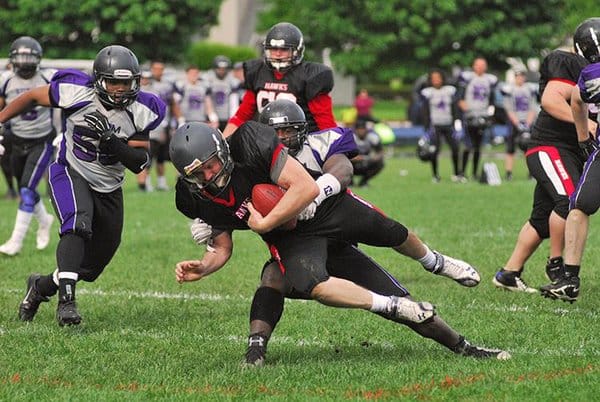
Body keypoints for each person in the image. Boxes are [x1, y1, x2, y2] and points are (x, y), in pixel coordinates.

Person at [171, 121, 505, 367]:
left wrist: (263, 222)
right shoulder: (193, 196)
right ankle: (257, 349)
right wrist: (205, 266)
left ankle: (435, 263)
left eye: (210, 165)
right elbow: (222, 246)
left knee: (387, 229)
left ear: (222, 150)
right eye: (197, 174)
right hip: (293, 237)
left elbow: (305, 188)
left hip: (323, 210)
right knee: (308, 282)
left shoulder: (250, 143)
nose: (208, 176)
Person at [1, 45, 166, 326]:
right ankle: (67, 302)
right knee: (77, 223)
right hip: (70, 171)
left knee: (91, 265)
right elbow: (31, 97)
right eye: (114, 82)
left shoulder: (143, 109)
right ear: (99, 80)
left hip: (109, 187)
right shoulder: (75, 91)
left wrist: (114, 144)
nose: (120, 89)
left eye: (126, 82)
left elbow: (139, 161)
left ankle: (40, 286)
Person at [493, 29, 595, 293]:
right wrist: (589, 125)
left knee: (542, 219)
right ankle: (557, 264)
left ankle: (509, 273)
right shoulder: (569, 61)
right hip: (551, 146)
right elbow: (551, 100)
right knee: (569, 201)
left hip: (569, 152)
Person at [539, 17, 600, 302]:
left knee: (579, 207)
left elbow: (577, 99)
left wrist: (582, 137)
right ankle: (569, 280)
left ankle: (570, 278)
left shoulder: (588, 75)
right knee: (578, 205)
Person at [222, 22, 336, 137]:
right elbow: (241, 116)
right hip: (267, 141)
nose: (277, 54)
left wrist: (332, 149)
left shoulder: (309, 76)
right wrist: (222, 142)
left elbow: (325, 122)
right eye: (273, 49)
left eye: (284, 49)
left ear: (297, 50)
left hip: (302, 141)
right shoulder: (258, 72)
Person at [0, 36, 56, 256]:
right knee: (26, 188)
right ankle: (45, 220)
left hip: (41, 141)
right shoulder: (6, 80)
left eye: (28, 56)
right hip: (16, 141)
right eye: (20, 56)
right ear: (13, 58)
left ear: (38, 58)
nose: (24, 62)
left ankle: (16, 241)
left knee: (26, 189)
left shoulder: (47, 77)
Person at [138, 60, 181, 191]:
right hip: (147, 127)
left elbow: (170, 104)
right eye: (143, 78)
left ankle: (161, 182)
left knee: (162, 156)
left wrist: (177, 120)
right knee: (149, 156)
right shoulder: (139, 91)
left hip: (162, 124)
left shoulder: (158, 89)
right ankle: (146, 182)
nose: (145, 80)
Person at [457, 57, 498, 181]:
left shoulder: (489, 80)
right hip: (470, 116)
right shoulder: (468, 78)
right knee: (468, 146)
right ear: (474, 66)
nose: (480, 67)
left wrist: (489, 114)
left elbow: (492, 100)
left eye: (482, 65)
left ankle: (474, 173)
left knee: (478, 147)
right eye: (478, 65)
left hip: (482, 116)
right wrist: (467, 110)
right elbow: (460, 98)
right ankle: (462, 172)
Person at [419, 68, 461, 182]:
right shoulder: (428, 92)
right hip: (435, 125)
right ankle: (435, 174)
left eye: (438, 78)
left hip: (448, 124)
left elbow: (455, 107)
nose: (436, 80)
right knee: (434, 150)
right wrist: (426, 126)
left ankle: (457, 173)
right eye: (434, 78)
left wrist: (456, 121)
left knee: (455, 148)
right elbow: (424, 109)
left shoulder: (449, 90)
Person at [502, 70, 538, 181]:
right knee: (510, 148)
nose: (520, 78)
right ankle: (508, 173)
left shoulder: (529, 89)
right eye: (518, 76)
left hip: (527, 121)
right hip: (514, 122)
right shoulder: (510, 90)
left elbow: (533, 107)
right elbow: (509, 109)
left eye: (522, 76)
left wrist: (527, 123)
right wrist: (517, 123)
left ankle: (531, 173)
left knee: (529, 149)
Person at [203, 56, 239, 132]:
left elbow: (234, 100)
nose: (221, 71)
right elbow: (207, 98)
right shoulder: (208, 77)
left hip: (226, 116)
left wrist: (233, 117)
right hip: (212, 117)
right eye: (219, 68)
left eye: (224, 69)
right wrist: (212, 116)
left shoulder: (231, 79)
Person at [351, 119, 385, 187]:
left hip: (367, 161)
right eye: (359, 129)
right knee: (344, 163)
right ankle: (350, 183)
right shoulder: (351, 138)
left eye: (363, 129)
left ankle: (363, 182)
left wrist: (375, 157)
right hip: (353, 164)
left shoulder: (372, 137)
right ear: (356, 130)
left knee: (380, 163)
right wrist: (353, 158)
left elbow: (381, 151)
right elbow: (343, 154)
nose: (361, 131)